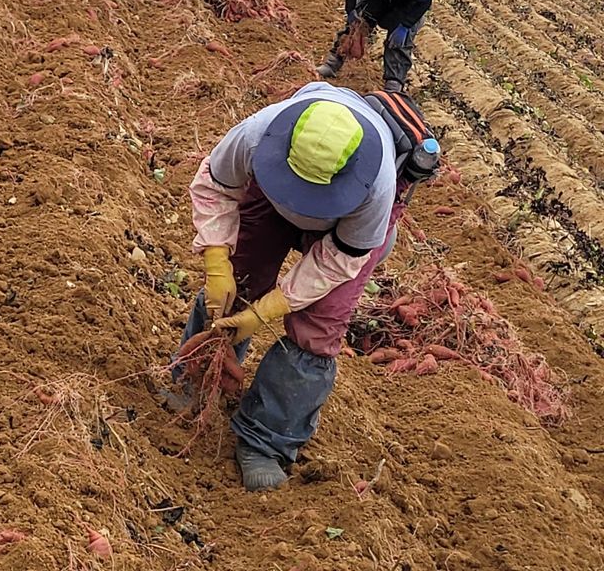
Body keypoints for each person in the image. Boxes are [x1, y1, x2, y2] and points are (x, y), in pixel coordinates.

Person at [173, 83, 439, 490]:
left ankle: (265, 441)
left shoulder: (377, 185)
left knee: (318, 329)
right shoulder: (256, 133)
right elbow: (216, 185)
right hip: (269, 195)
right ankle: (195, 379)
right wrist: (215, 262)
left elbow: (340, 259)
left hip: (342, 233)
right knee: (238, 283)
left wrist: (272, 308)